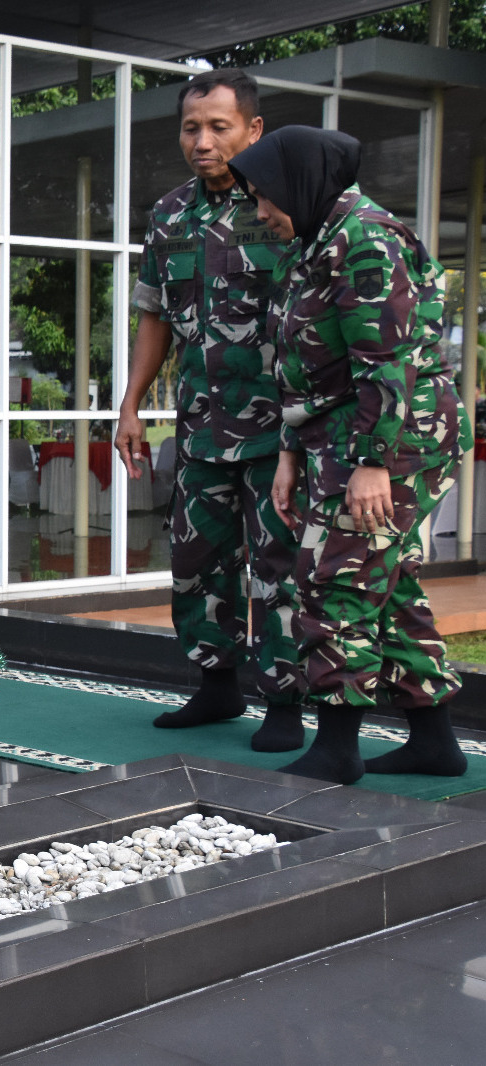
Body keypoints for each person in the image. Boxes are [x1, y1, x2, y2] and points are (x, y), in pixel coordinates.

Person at [228, 126, 472, 785]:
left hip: (396, 438)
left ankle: (336, 749)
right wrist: (286, 452)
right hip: (341, 435)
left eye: (262, 197)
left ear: (294, 183)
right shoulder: (315, 239)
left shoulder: (364, 237)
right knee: (386, 588)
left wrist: (372, 464)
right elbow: (302, 366)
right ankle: (432, 741)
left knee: (335, 578)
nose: (259, 211)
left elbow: (386, 362)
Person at [114, 69, 305, 752]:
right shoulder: (168, 214)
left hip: (277, 430)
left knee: (276, 566)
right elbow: (152, 317)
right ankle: (215, 682)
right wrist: (130, 405)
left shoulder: (283, 208)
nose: (202, 141)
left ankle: (284, 699)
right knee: (196, 561)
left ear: (252, 130)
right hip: (199, 424)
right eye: (190, 128)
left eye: (217, 127)